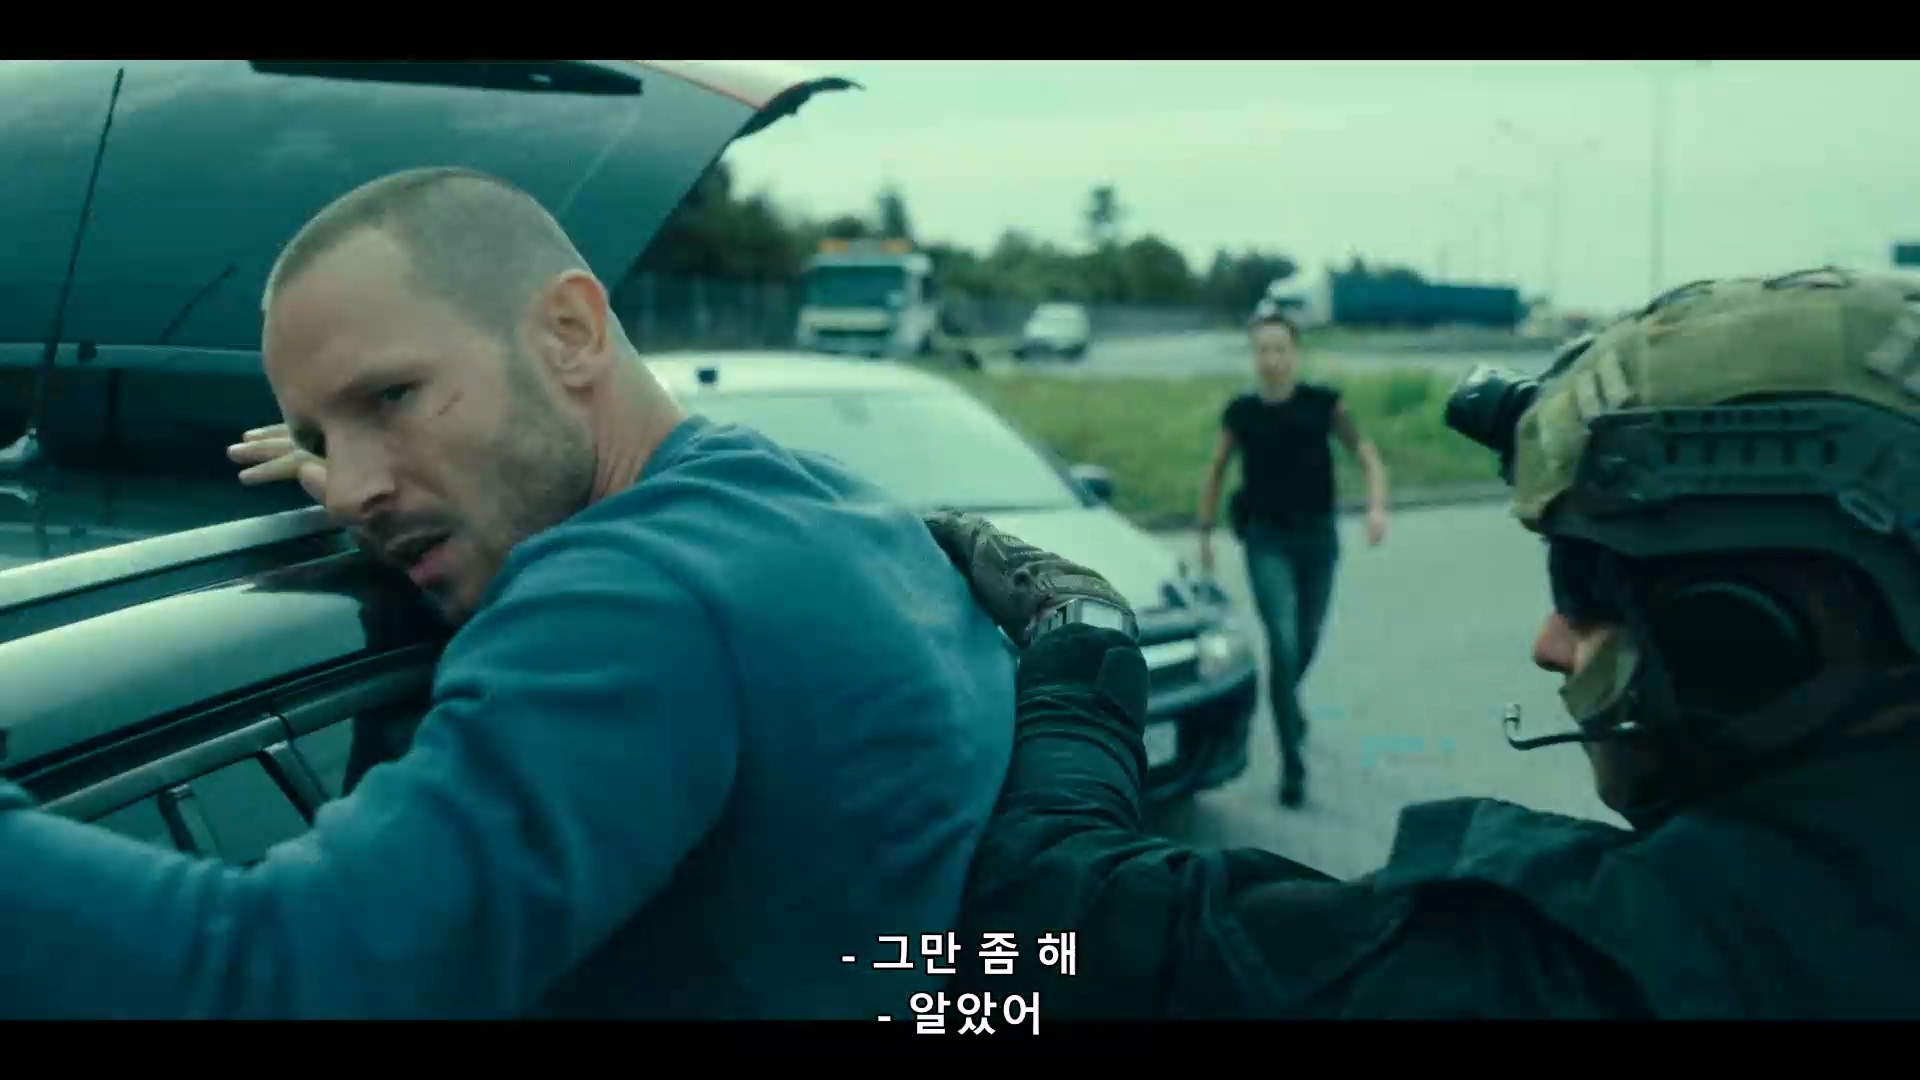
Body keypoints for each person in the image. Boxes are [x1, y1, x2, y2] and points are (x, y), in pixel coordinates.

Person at [0, 166, 1045, 1019]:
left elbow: (281, 980)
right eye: (322, 439)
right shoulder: (824, 508)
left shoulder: (632, 598)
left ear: (570, 333)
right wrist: (410, 475)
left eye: (389, 396)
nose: (351, 488)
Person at [956, 269, 1920, 1019]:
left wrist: (1081, 657)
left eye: (1584, 591)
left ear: (1749, 634)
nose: (1549, 642)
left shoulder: (1566, 978)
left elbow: (1059, 940)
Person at [1196, 303, 1390, 807]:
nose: (1271, 359)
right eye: (1262, 350)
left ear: (1295, 353)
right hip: (1266, 542)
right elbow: (1216, 470)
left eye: (1279, 349)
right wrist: (1205, 534)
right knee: (1282, 644)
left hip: (1319, 542)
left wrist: (1376, 508)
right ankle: (1292, 764)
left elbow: (1366, 455)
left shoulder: (1323, 404)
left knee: (1305, 643)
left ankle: (1288, 702)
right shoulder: (1241, 413)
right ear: (1253, 355)